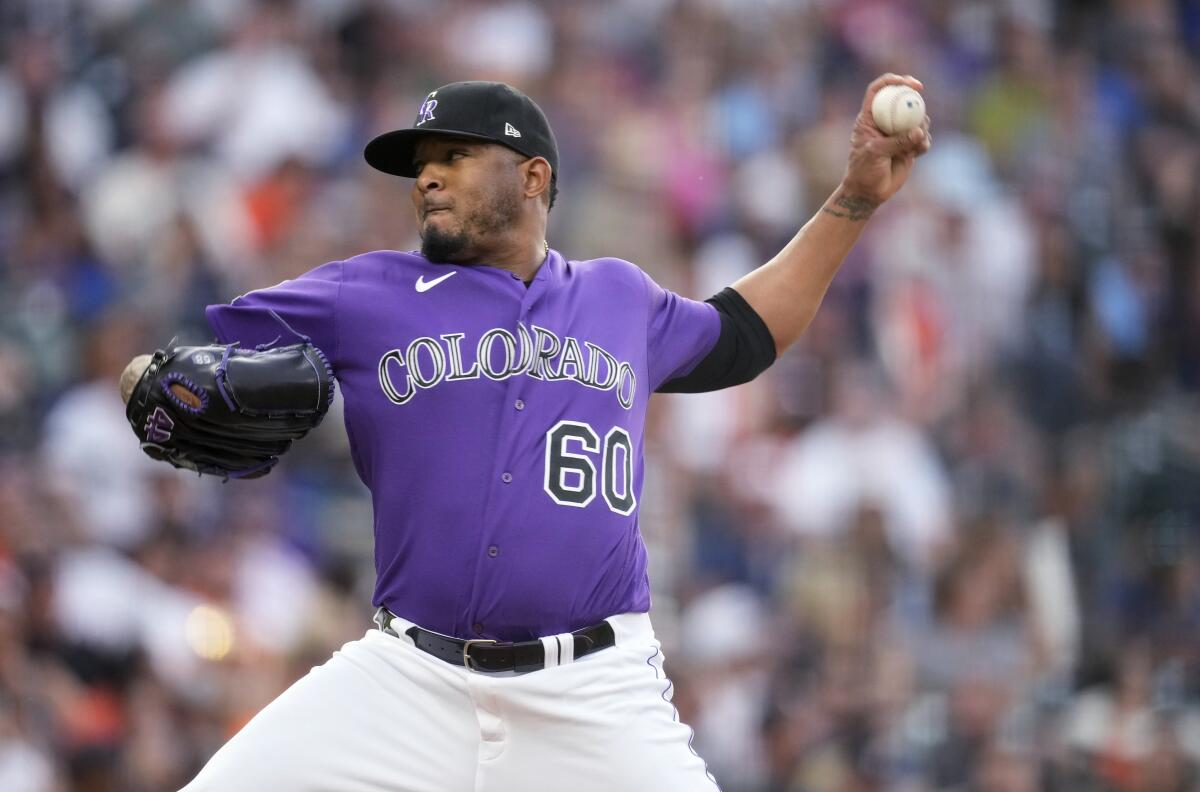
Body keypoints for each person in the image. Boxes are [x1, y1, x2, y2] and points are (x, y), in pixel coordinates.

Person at [157, 76, 930, 790]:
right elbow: (180, 361)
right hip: (408, 680)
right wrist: (148, 385)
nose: (427, 176)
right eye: (421, 164)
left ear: (532, 177)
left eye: (454, 156)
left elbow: (746, 335)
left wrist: (854, 200)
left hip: (593, 689)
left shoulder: (618, 297)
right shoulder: (365, 294)